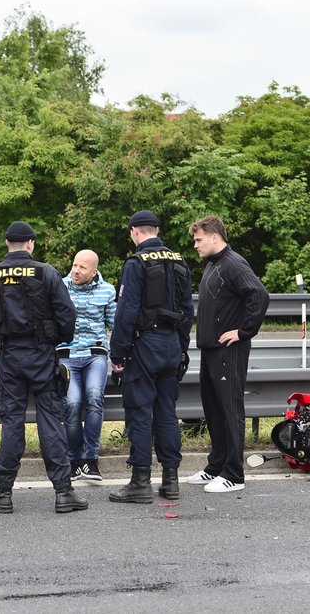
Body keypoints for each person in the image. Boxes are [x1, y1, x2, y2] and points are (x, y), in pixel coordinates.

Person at [0, 221, 86, 514]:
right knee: (51, 421)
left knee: (12, 422)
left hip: (9, 357)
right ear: (31, 244)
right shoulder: (46, 272)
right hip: (41, 355)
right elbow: (67, 315)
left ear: (7, 243)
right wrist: (55, 340)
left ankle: (3, 494)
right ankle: (63, 493)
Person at [109, 211, 193, 504]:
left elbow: (126, 311)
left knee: (140, 413)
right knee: (167, 413)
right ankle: (171, 481)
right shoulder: (180, 261)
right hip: (171, 344)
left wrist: (117, 353)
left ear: (134, 232)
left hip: (144, 345)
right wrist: (182, 347)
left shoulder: (135, 264)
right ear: (157, 229)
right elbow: (187, 311)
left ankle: (140, 483)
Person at [186, 215, 269, 493]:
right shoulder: (214, 265)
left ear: (214, 237)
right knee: (214, 410)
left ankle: (234, 474)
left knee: (230, 410)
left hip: (228, 351)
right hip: (211, 350)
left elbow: (258, 294)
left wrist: (243, 331)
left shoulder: (233, 263)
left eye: (198, 240)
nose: (196, 245)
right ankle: (216, 467)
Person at [57, 250, 117, 482]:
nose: (76, 270)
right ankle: (75, 461)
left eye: (82, 267)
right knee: (71, 403)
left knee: (94, 397)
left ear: (94, 272)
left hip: (95, 355)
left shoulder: (107, 290)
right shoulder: (59, 288)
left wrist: (121, 356)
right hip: (66, 355)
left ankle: (91, 460)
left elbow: (115, 323)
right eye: (74, 265)